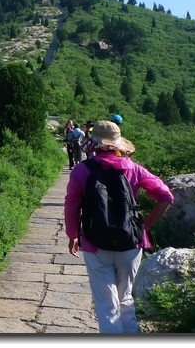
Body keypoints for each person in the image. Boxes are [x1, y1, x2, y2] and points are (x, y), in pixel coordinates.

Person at [64, 120, 174, 334]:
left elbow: (71, 205)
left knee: (106, 304)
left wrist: (72, 235)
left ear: (94, 143)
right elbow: (166, 196)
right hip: (130, 243)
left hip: (96, 244)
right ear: (118, 145)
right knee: (125, 298)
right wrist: (145, 227)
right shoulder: (134, 168)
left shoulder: (81, 171)